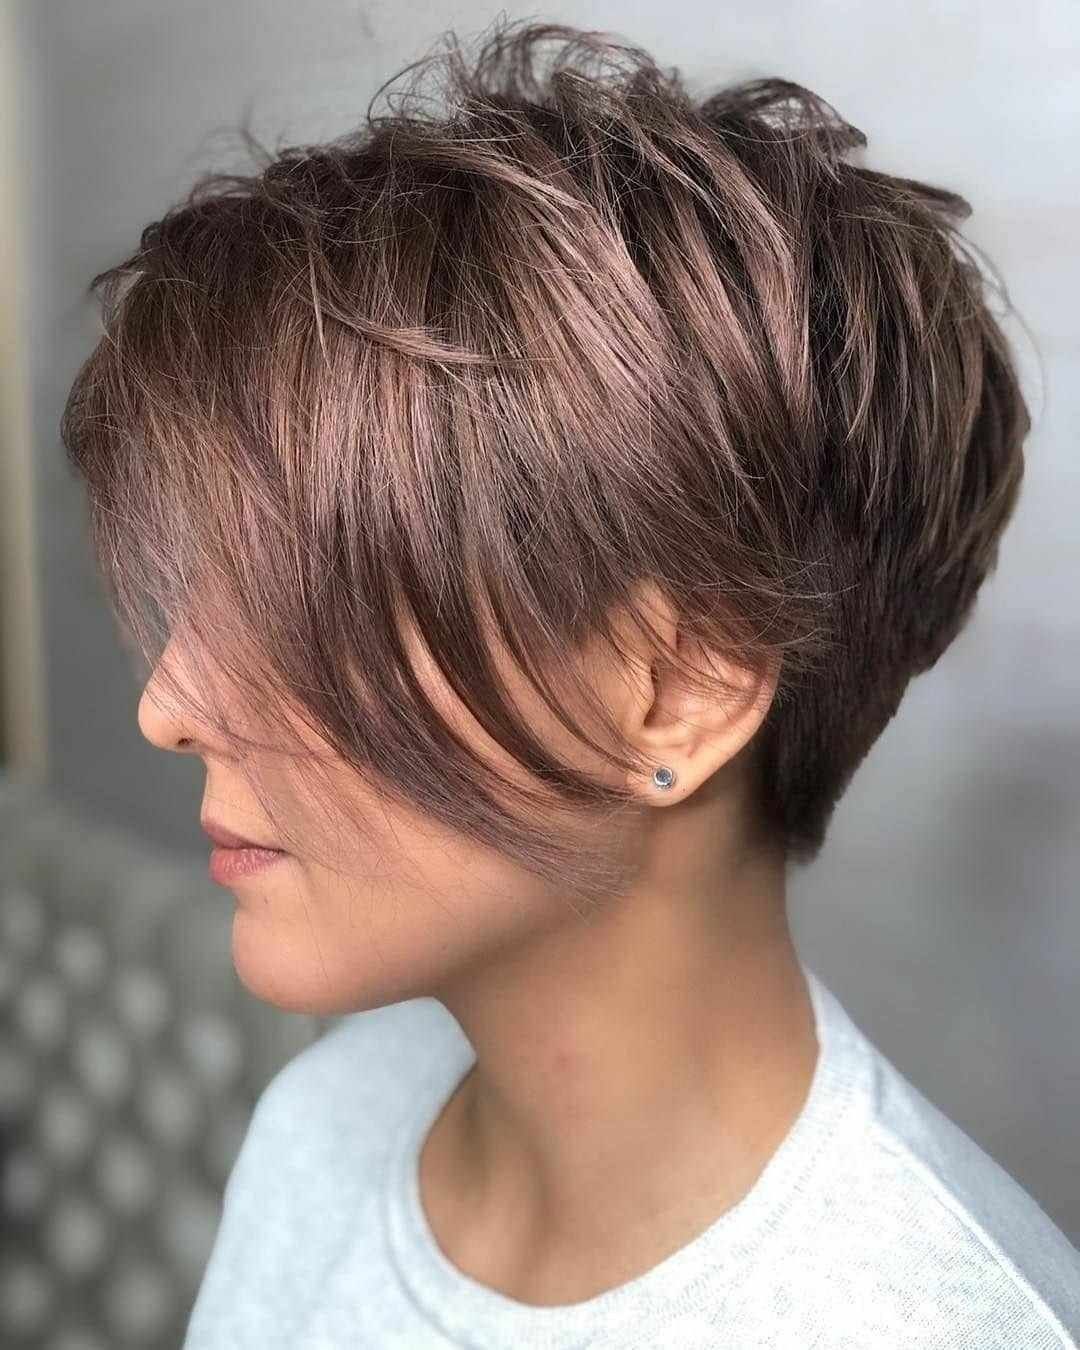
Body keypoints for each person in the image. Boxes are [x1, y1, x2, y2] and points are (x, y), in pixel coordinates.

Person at [60, 17, 1079, 1348]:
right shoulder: (324, 1122)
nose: (168, 705)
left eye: (296, 595)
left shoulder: (931, 1323)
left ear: (677, 690)